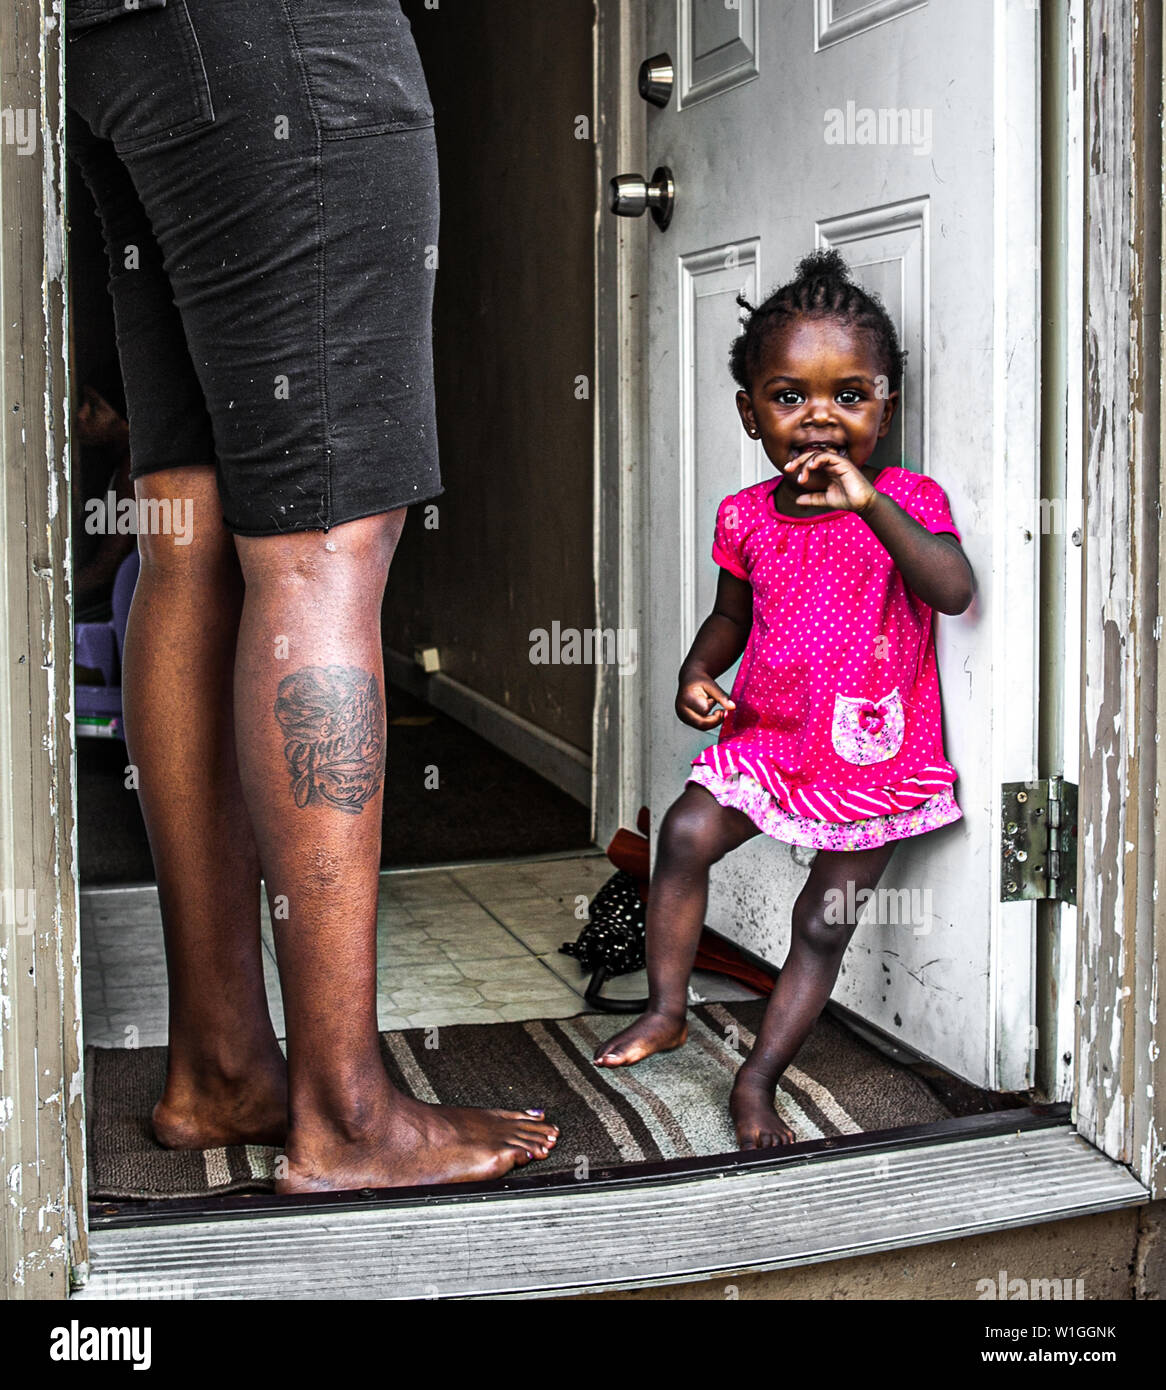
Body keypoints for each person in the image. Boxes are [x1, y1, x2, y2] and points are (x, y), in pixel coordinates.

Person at [65, 0, 558, 1190]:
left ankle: (223, 1064)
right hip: (276, 34)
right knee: (324, 542)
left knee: (188, 526)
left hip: (116, 37)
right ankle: (346, 1115)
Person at [592, 249, 975, 1150]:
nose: (820, 421)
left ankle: (758, 1081)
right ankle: (666, 1007)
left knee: (819, 921)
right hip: (769, 736)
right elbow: (732, 615)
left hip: (868, 753)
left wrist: (870, 503)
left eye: (850, 396)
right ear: (750, 412)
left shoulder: (908, 500)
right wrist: (696, 673)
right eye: (789, 397)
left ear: (885, 407)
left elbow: (952, 589)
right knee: (683, 834)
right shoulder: (744, 514)